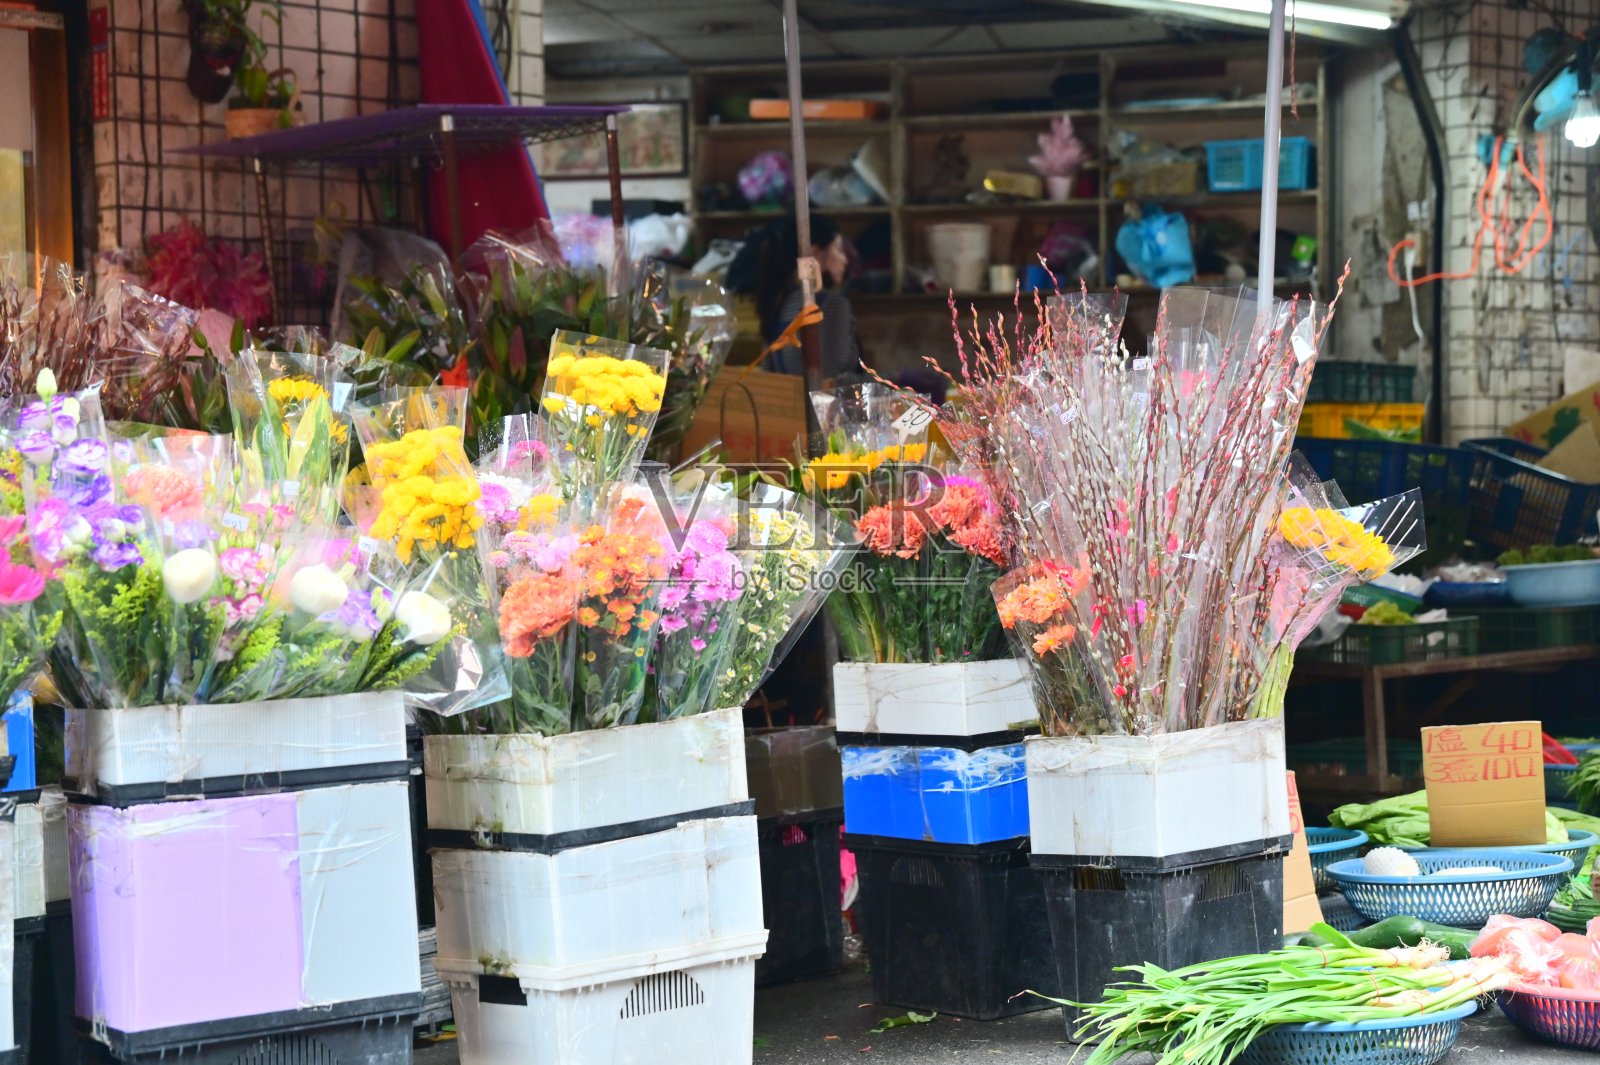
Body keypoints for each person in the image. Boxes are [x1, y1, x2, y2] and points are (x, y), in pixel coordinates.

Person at [726, 215, 863, 380]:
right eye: (839, 250)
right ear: (814, 253)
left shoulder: (779, 303)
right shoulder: (832, 304)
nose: (845, 260)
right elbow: (831, 380)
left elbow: (769, 374)